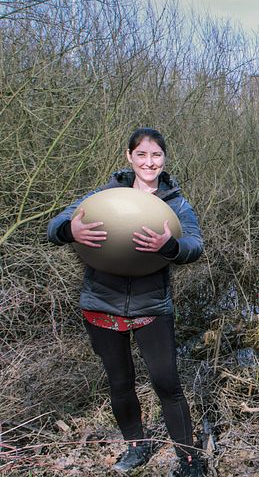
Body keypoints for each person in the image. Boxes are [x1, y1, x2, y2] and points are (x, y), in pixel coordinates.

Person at [47, 128, 205, 476]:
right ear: (129, 157)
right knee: (119, 382)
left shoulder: (175, 201)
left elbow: (195, 244)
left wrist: (171, 246)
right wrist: (68, 231)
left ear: (164, 159)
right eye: (142, 155)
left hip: (152, 306)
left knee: (167, 383)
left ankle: (190, 458)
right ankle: (136, 446)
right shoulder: (106, 194)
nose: (150, 162)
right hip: (102, 301)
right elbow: (55, 224)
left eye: (157, 155)